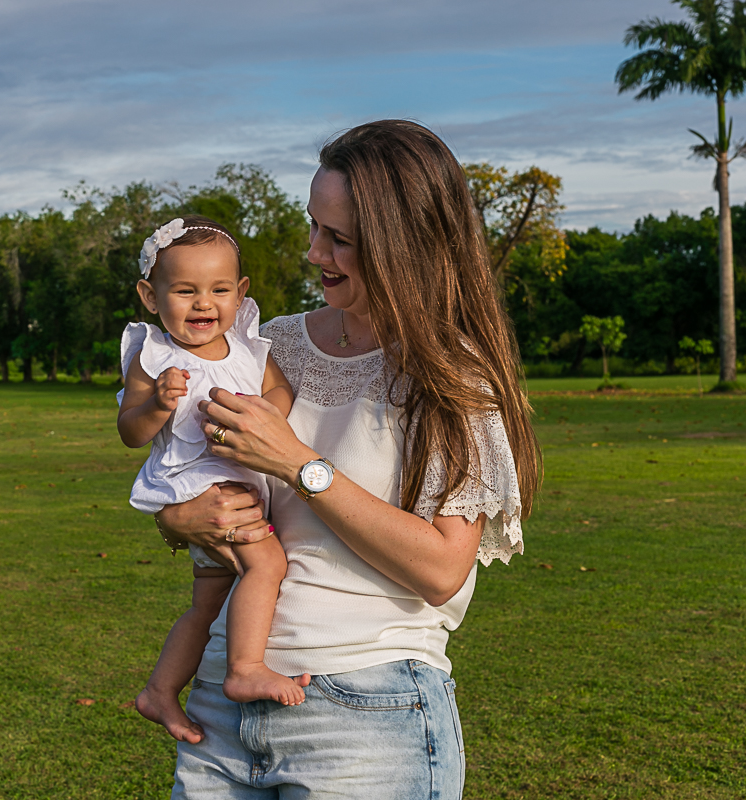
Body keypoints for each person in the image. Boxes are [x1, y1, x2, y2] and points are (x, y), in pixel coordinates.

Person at [154, 120, 541, 797]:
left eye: (338, 239)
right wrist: (179, 521)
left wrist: (300, 463)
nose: (314, 253)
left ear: (404, 246)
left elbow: (444, 568)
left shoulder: (453, 376)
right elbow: (197, 475)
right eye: (314, 228)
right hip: (222, 702)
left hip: (366, 711)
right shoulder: (271, 345)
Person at [117, 215, 310, 746]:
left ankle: (159, 690)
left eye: (219, 289)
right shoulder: (154, 357)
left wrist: (258, 412)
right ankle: (245, 667)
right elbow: (130, 431)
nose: (204, 304)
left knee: (207, 604)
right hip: (200, 486)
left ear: (240, 292)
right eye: (185, 290)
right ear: (150, 296)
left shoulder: (248, 347)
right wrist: (157, 403)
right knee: (267, 564)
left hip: (237, 482)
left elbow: (282, 394)